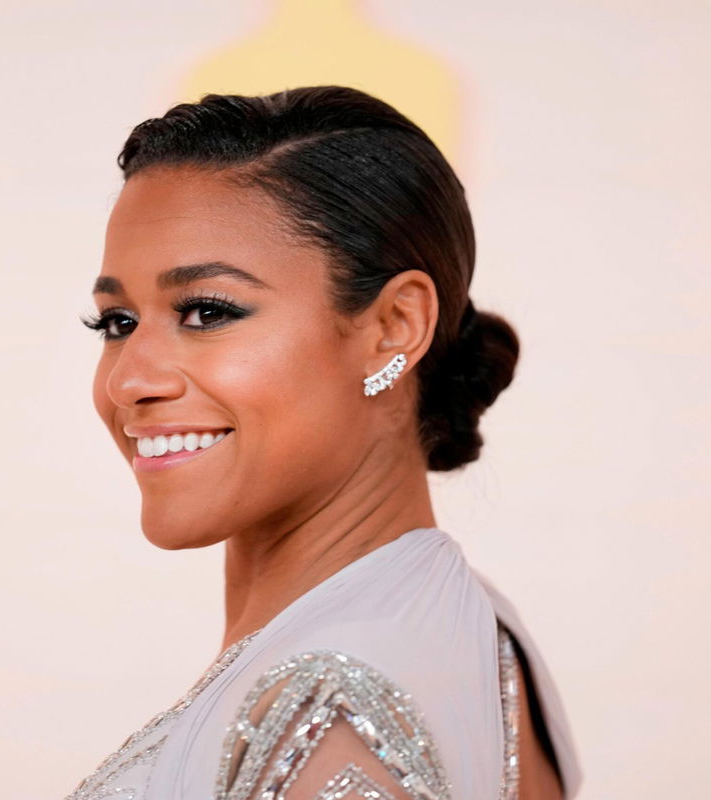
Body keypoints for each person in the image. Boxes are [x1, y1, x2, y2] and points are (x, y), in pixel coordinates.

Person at [67, 85, 582, 800]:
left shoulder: (335, 706)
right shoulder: (472, 627)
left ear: (393, 328)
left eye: (207, 311)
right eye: (117, 321)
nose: (129, 380)